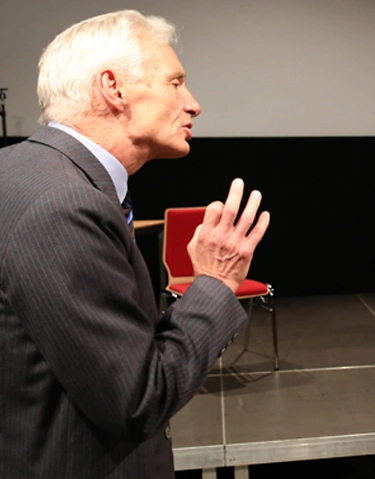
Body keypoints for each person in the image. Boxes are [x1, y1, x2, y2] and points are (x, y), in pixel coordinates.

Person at [0, 10, 269, 478]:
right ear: (114, 88)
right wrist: (216, 281)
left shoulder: (18, 168)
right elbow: (138, 400)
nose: (193, 104)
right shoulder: (66, 205)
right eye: (175, 83)